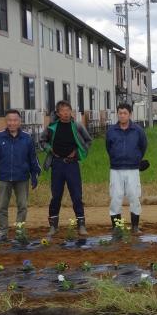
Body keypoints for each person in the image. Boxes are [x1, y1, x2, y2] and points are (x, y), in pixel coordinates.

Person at [0, 109, 41, 241]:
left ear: (19, 121)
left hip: (22, 178)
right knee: (1, 207)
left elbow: (33, 158)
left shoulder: (27, 138)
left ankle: (19, 231)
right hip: (4, 178)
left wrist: (34, 175)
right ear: (6, 121)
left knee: (22, 206)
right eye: (9, 120)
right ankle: (3, 232)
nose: (12, 123)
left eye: (15, 120)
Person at [40, 100, 92, 237]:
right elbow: (42, 141)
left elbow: (88, 140)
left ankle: (81, 225)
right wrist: (50, 149)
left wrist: (78, 152)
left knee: (76, 195)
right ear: (57, 113)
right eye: (62, 111)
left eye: (68, 110)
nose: (66, 113)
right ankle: (53, 226)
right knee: (56, 196)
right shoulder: (52, 127)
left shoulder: (77, 126)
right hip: (57, 165)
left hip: (72, 165)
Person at [106, 103, 147, 234]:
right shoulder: (111, 130)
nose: (122, 115)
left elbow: (143, 146)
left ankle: (135, 226)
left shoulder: (138, 130)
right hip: (116, 169)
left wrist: (136, 158)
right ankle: (116, 227)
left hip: (133, 169)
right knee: (116, 197)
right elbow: (108, 147)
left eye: (125, 113)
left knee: (134, 196)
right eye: (120, 113)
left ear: (130, 114)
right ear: (117, 114)